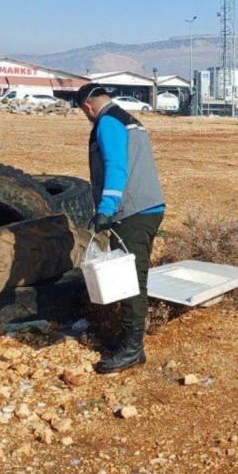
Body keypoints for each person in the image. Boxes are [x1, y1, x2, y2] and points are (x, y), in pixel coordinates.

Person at [75, 83, 166, 374]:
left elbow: (116, 167)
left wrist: (106, 209)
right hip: (147, 208)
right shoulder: (129, 119)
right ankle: (128, 338)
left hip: (133, 212)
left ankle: (132, 348)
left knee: (131, 280)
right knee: (131, 277)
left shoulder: (108, 122)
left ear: (87, 107)